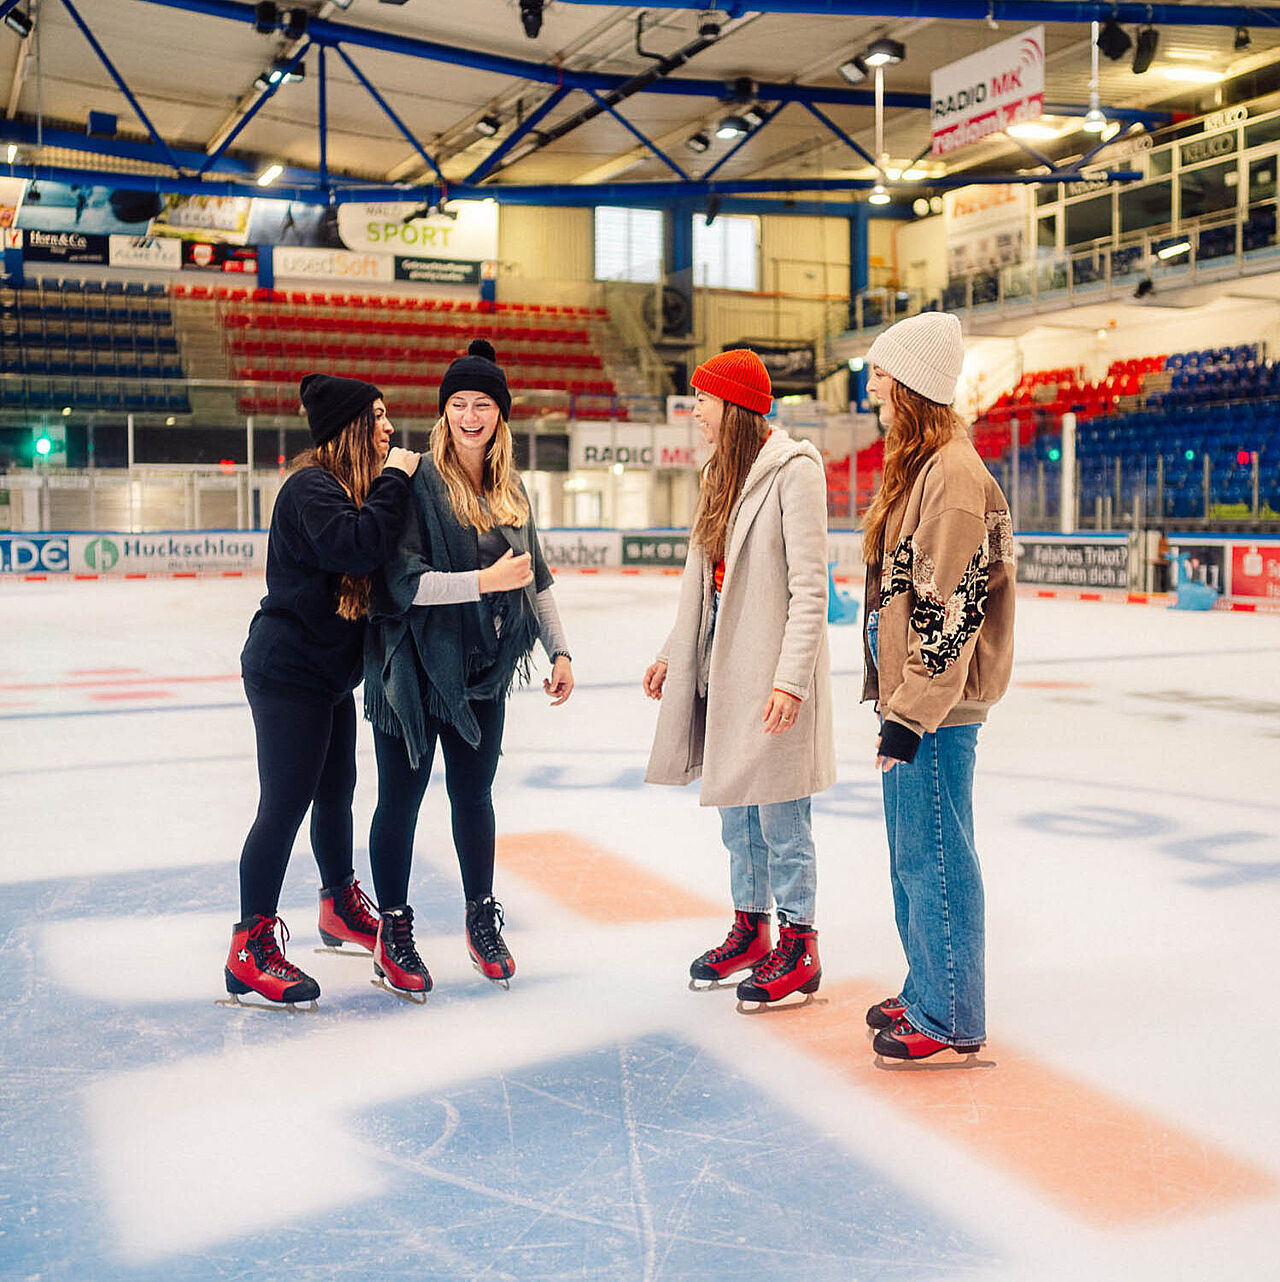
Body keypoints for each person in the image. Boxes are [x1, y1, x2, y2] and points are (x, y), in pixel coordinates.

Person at [363, 339, 573, 998]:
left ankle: (481, 917)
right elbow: (399, 586)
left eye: (483, 404)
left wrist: (559, 648)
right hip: (412, 669)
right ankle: (392, 932)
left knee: (473, 796)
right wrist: (482, 582)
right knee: (400, 799)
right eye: (459, 403)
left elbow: (534, 578)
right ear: (444, 411)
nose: (471, 415)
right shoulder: (414, 478)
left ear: (500, 415)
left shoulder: (510, 488)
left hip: (484, 669)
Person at [643, 348, 834, 1010]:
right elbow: (702, 583)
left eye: (702, 399)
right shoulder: (716, 475)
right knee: (738, 821)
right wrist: (675, 651)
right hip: (723, 672)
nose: (693, 411)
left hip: (770, 675)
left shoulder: (794, 471)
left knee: (783, 819)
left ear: (733, 406)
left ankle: (800, 946)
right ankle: (752, 930)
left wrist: (791, 682)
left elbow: (811, 588)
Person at [224, 375, 420, 1009]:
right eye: (380, 417)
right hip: (288, 672)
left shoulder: (346, 488)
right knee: (284, 804)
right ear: (351, 428)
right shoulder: (312, 487)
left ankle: (338, 904)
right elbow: (357, 547)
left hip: (328, 675)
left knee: (336, 792)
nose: (391, 429)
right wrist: (395, 478)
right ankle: (249, 947)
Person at [860, 312, 1015, 1061]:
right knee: (912, 855)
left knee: (937, 856)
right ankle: (930, 981)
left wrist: (910, 715)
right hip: (916, 704)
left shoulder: (952, 476)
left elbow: (952, 609)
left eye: (882, 375)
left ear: (914, 385)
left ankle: (949, 1009)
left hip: (936, 710)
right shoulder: (925, 467)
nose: (872, 388)